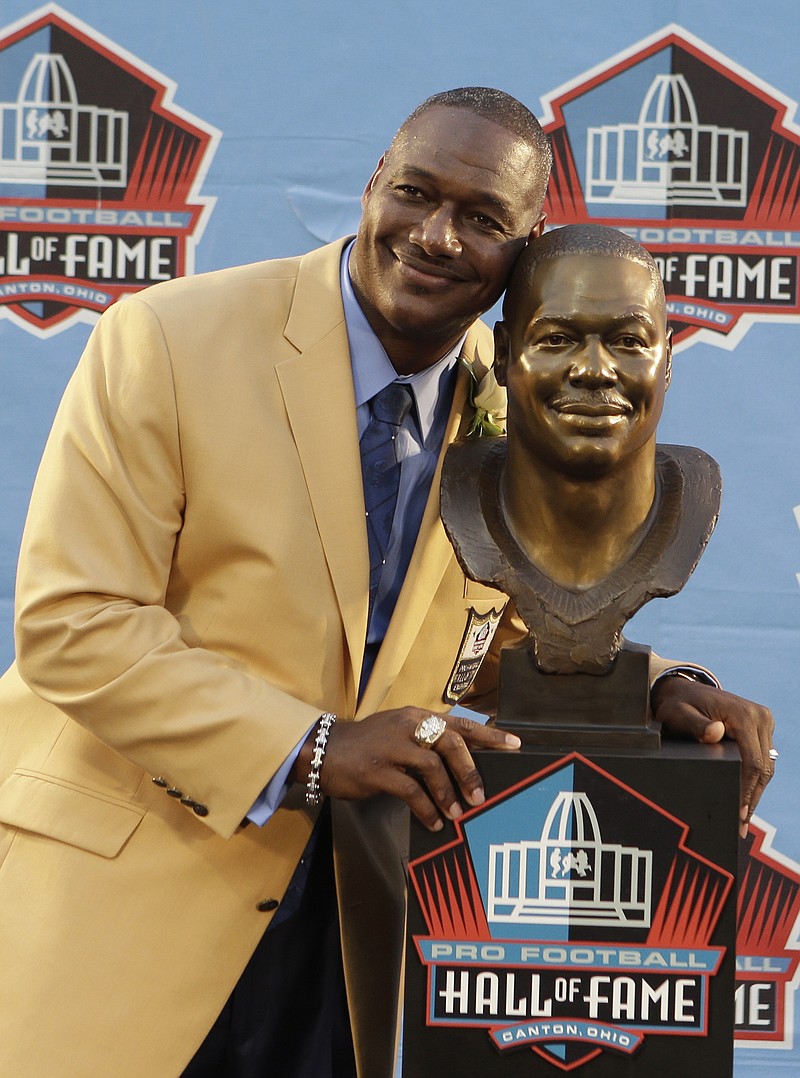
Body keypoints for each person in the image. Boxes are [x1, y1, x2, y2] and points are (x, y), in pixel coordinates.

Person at [0, 89, 774, 1078]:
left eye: (483, 220)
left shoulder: (521, 387)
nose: (437, 236)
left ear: (523, 250)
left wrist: (656, 685)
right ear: (372, 186)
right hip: (128, 904)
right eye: (415, 193)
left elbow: (483, 632)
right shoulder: (167, 338)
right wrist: (314, 748)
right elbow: (78, 623)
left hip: (355, 930)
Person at [441, 223, 722, 676]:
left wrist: (662, 684)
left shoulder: (693, 499)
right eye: (557, 339)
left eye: (628, 341)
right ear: (505, 356)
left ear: (666, 362)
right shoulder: (454, 491)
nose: (595, 370)